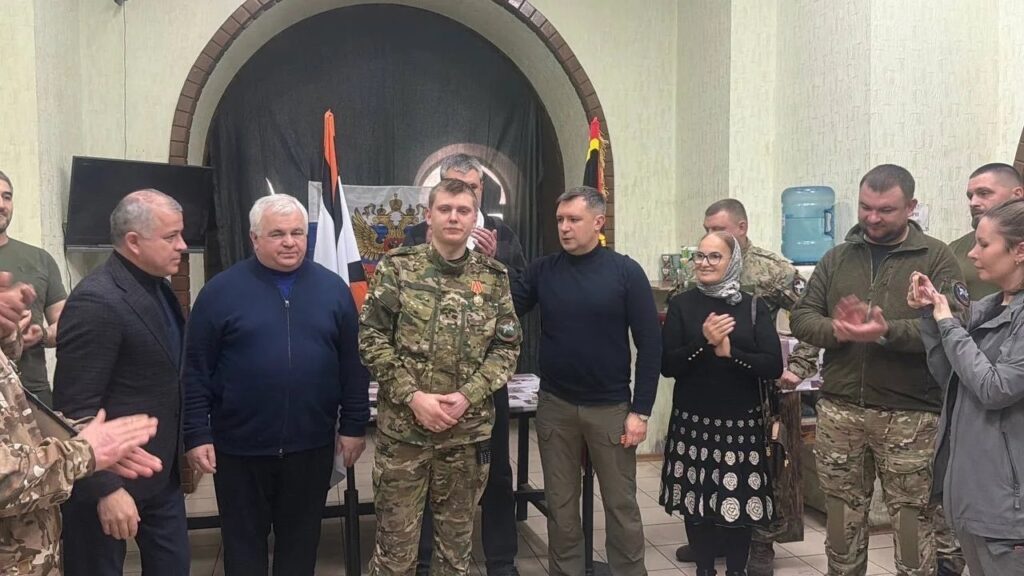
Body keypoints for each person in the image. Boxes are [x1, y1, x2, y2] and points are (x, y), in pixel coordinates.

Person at [183, 194, 370, 576]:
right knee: (243, 549)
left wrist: (354, 425)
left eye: (297, 233)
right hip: (239, 449)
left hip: (310, 446)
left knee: (300, 548)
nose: (289, 242)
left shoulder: (333, 289)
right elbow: (196, 370)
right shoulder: (220, 292)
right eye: (277, 234)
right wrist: (196, 434)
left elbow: (353, 365)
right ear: (254, 238)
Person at [790, 164, 963, 576]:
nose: (872, 217)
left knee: (911, 519)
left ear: (911, 207)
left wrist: (886, 331)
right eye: (865, 207)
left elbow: (954, 323)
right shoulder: (837, 258)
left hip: (910, 415)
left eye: (885, 210)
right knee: (841, 516)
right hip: (841, 410)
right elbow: (802, 317)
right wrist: (839, 330)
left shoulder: (935, 257)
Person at [360, 177, 521, 575]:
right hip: (405, 437)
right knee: (395, 554)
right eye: (445, 209)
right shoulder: (398, 268)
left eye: (463, 210)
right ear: (428, 216)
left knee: (455, 555)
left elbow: (506, 348)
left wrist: (467, 396)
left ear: (474, 218)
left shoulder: (494, 277)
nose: (453, 217)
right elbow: (371, 338)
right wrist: (414, 397)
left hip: (465, 437)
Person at [512, 185, 661, 576]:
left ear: (598, 222)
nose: (564, 227)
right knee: (561, 507)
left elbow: (650, 345)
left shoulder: (625, 272)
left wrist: (641, 411)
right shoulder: (543, 270)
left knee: (621, 505)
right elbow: (503, 307)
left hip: (611, 408)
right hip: (556, 406)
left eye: (573, 219)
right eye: (560, 219)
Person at [675, 199, 819, 575]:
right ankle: (712, 540)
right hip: (705, 390)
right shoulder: (699, 265)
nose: (710, 236)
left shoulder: (771, 269)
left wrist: (799, 366)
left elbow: (812, 312)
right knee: (709, 472)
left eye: (718, 229)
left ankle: (760, 544)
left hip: (758, 387)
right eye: (706, 229)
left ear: (742, 228)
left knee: (760, 472)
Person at [54, 189, 191, 576]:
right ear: (133, 241)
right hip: (107, 478)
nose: (182, 246)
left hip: (160, 474)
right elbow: (73, 409)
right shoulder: (97, 301)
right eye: (171, 237)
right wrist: (106, 488)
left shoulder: (160, 287)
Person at [404, 154, 526, 576]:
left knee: (495, 471)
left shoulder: (503, 235)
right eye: (453, 187)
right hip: (428, 385)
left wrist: (498, 262)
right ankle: (423, 559)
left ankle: (501, 560)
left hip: (485, 382)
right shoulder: (414, 235)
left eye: (471, 188)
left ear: (480, 192)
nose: (461, 199)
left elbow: (521, 301)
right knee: (427, 472)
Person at [0, 271, 163, 576]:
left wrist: (80, 439)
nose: (181, 248)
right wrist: (82, 453)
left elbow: (14, 415)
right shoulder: (97, 298)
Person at [913, 198, 1024, 576]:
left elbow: (995, 389)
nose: (973, 253)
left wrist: (948, 324)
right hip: (974, 498)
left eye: (984, 244)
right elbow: (952, 376)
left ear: (1019, 251)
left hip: (1007, 509)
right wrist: (930, 315)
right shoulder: (989, 307)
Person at [661, 231, 783, 576]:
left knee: (738, 505)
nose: (704, 263)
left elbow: (772, 365)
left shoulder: (753, 306)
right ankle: (704, 570)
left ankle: (735, 571)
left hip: (740, 424)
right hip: (692, 423)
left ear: (733, 261)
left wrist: (731, 354)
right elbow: (668, 366)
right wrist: (703, 341)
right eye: (699, 256)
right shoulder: (682, 304)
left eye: (714, 256)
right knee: (696, 504)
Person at [0, 170, 67, 406]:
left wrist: (43, 335)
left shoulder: (40, 259)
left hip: (34, 394)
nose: (2, 205)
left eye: (7, 197)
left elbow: (68, 323)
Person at [948, 163, 1024, 301]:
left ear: (1017, 195)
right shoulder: (956, 248)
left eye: (984, 193)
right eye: (970, 196)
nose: (973, 203)